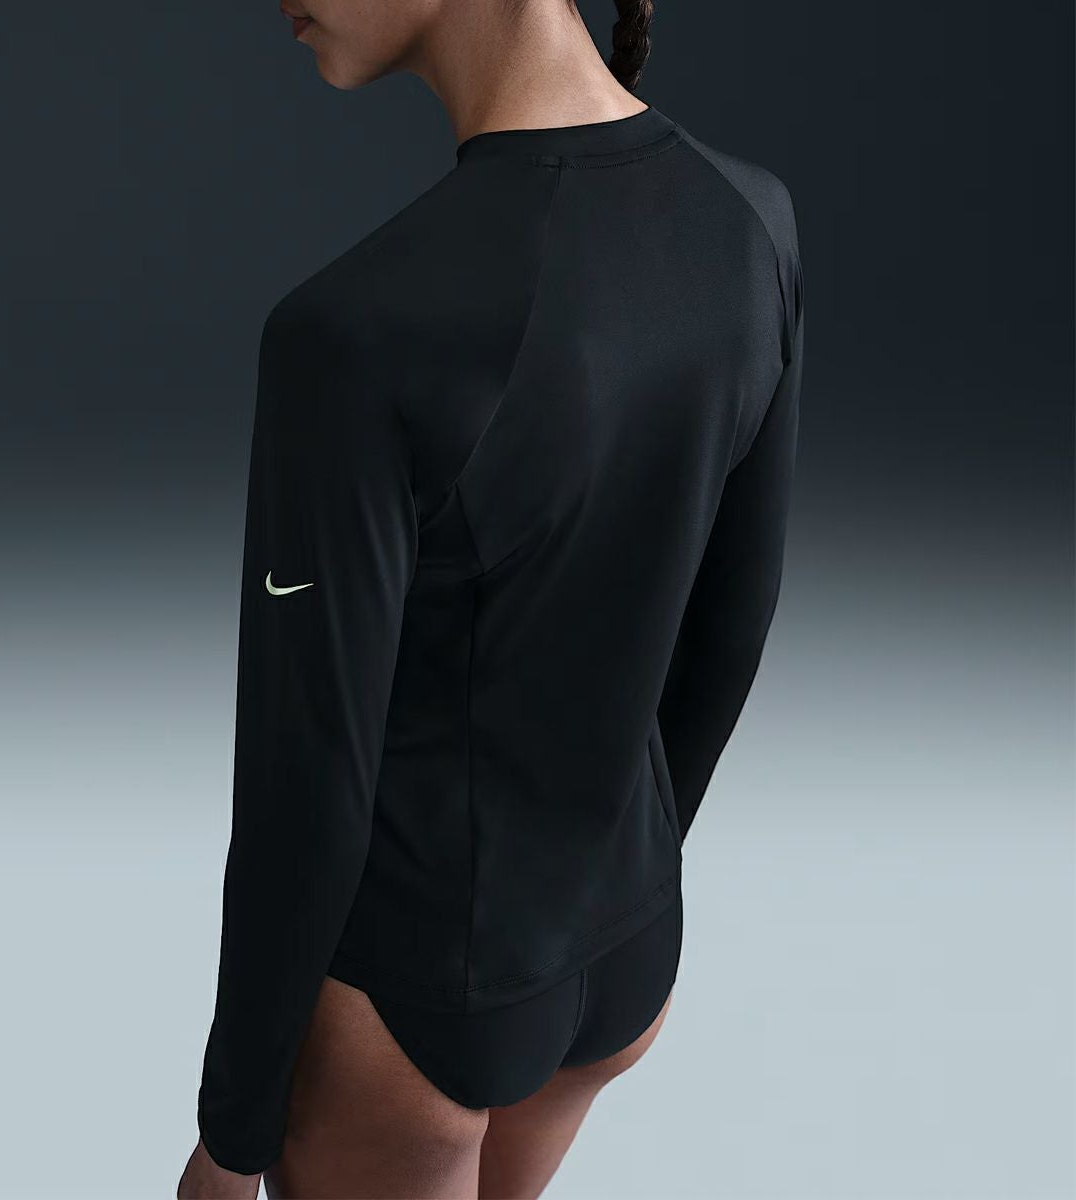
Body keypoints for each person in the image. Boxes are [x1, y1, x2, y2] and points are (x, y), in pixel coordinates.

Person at [177, 0, 804, 1195]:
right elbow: (734, 617)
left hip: (414, 1001)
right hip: (624, 947)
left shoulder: (349, 335)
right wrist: (613, 879)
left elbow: (308, 788)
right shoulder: (750, 218)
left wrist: (231, 1135)